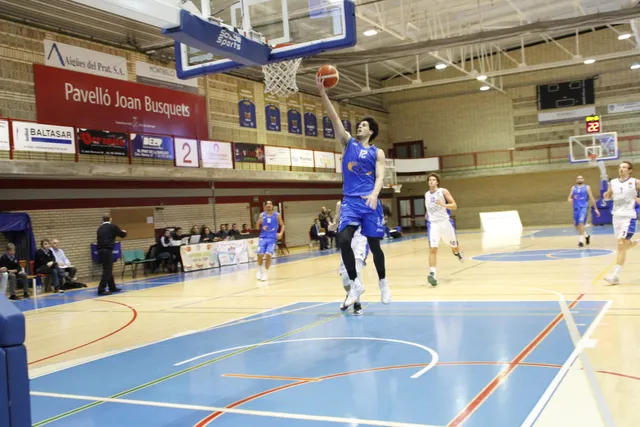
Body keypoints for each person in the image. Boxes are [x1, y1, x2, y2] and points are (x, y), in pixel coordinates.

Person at [317, 75, 391, 309]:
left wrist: (375, 194)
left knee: (375, 246)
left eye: (364, 125)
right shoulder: (348, 143)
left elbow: (380, 177)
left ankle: (383, 283)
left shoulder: (377, 153)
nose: (360, 126)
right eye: (359, 124)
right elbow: (334, 118)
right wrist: (323, 93)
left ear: (372, 131)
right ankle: (356, 284)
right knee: (343, 239)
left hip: (369, 201)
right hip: (350, 201)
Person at [602, 161, 640, 285]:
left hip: (629, 216)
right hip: (616, 216)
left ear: (630, 170)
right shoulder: (613, 182)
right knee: (622, 246)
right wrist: (607, 196)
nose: (621, 169)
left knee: (621, 244)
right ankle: (637, 242)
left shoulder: (635, 182)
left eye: (624, 167)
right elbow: (609, 195)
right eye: (620, 167)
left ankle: (615, 276)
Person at [424, 173, 463, 287]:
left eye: (433, 180)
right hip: (433, 224)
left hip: (445, 223)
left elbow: (454, 206)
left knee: (454, 247)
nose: (431, 181)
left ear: (437, 182)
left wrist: (443, 204)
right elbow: (429, 207)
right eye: (430, 180)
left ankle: (457, 252)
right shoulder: (426, 194)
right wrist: (427, 214)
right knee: (433, 249)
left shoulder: (443, 191)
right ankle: (432, 274)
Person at [336, 201, 369, 316]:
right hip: (347, 242)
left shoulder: (365, 201)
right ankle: (350, 294)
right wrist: (333, 225)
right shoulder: (341, 204)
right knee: (345, 277)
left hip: (360, 240)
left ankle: (357, 304)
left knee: (356, 271)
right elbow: (337, 219)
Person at [97, 213, 127, 295]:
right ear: (110, 219)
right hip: (107, 250)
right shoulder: (112, 226)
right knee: (108, 270)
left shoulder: (100, 228)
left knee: (108, 269)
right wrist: (124, 232)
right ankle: (101, 289)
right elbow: (122, 235)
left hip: (100, 251)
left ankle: (112, 287)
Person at [568, 175, 600, 247]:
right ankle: (587, 236)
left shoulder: (587, 187)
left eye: (581, 178)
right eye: (578, 178)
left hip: (583, 207)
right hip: (576, 208)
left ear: (583, 179)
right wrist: (569, 199)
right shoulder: (573, 188)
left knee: (581, 223)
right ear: (576, 180)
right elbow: (569, 197)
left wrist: (596, 209)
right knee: (577, 226)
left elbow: (591, 197)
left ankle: (581, 241)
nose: (579, 179)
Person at [256, 200, 284, 281]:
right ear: (265, 206)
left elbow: (282, 225)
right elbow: (257, 228)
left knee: (268, 255)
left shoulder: (277, 215)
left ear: (272, 206)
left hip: (272, 238)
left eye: (270, 204)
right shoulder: (262, 215)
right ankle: (259, 270)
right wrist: (258, 222)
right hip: (263, 238)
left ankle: (266, 273)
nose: (269, 205)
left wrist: (281, 233)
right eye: (267, 204)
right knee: (260, 255)